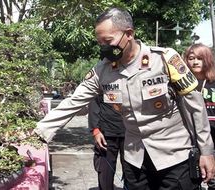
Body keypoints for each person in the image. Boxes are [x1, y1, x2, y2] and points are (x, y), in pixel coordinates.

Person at [34, 7, 215, 189]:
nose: (104, 47)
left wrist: (206, 151)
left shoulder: (164, 60)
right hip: (135, 160)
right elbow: (73, 102)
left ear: (129, 34)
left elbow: (195, 106)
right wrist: (38, 133)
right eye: (100, 43)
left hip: (175, 157)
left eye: (108, 41)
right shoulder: (102, 71)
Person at [184, 43, 215, 190]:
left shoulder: (213, 82)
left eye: (200, 58)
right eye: (191, 58)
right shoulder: (182, 85)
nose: (195, 62)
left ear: (207, 60)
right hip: (190, 137)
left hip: (213, 134)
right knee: (193, 177)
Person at [89, 95, 125, 190]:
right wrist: (95, 130)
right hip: (105, 134)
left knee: (134, 173)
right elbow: (94, 101)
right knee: (105, 173)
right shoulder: (101, 80)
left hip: (131, 133)